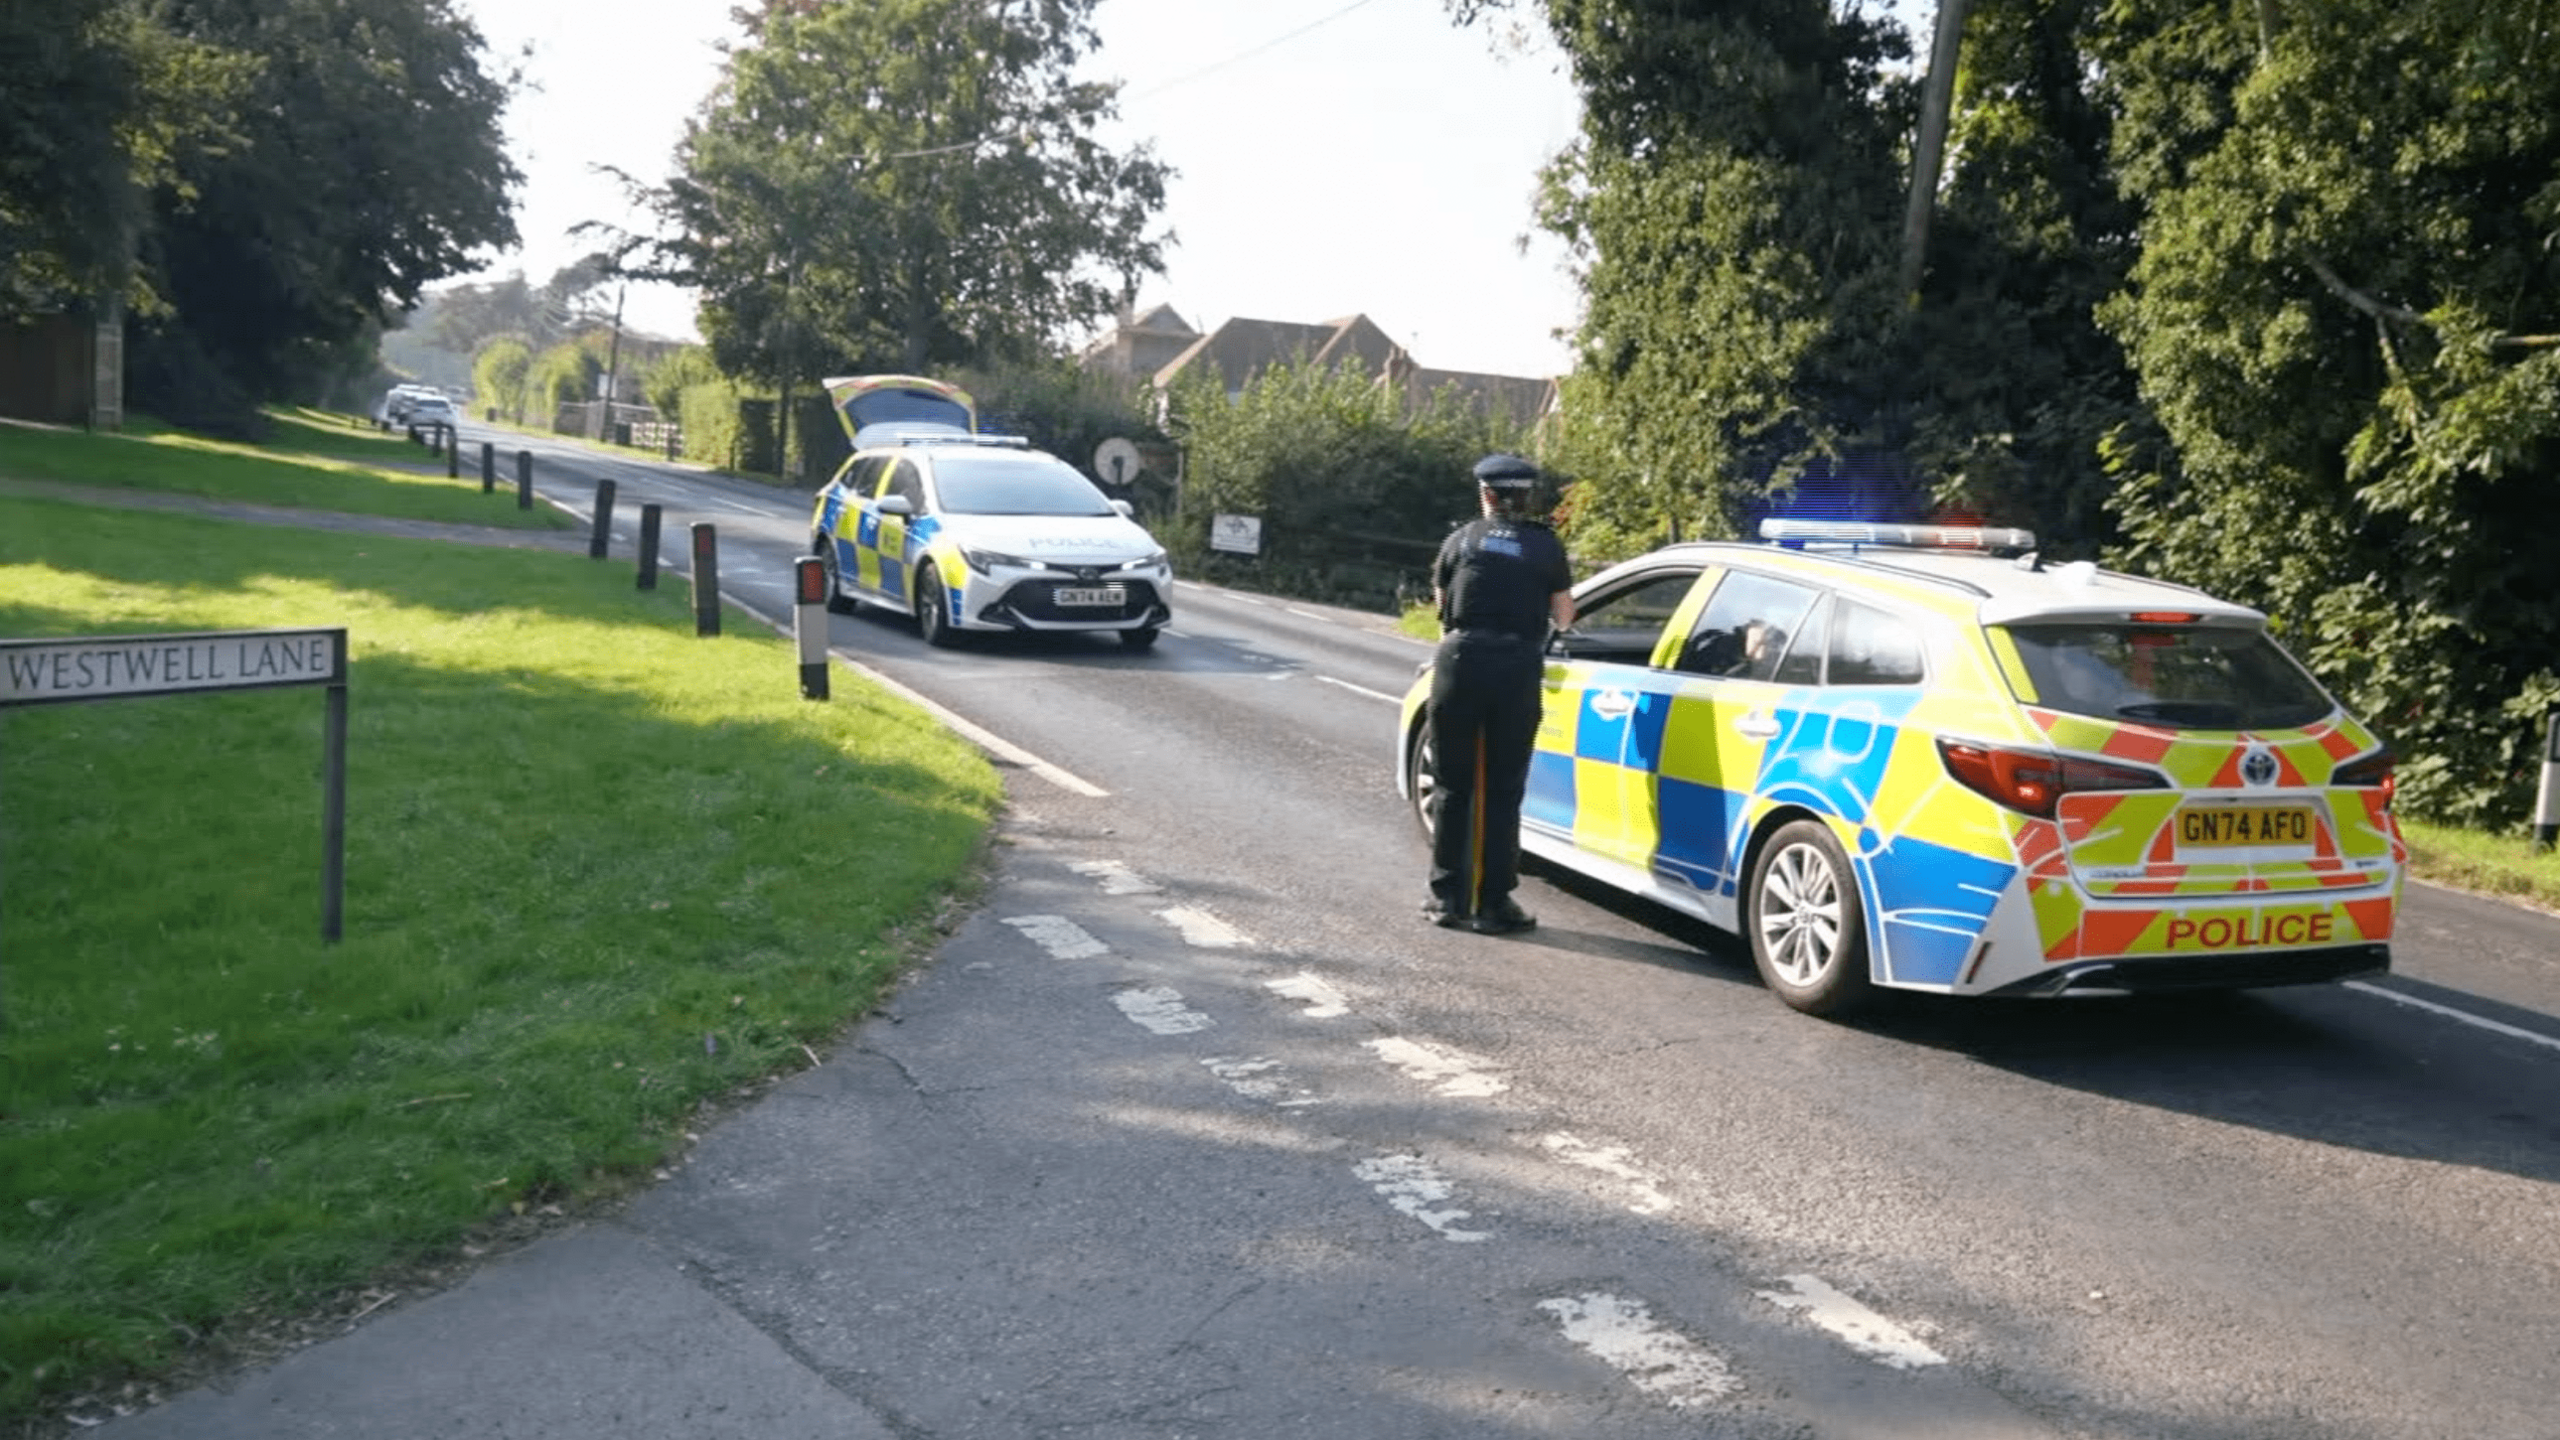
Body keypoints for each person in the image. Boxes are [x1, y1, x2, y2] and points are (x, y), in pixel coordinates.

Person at [1423, 453, 1576, 935]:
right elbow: (1565, 615)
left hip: (1460, 662)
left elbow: (1442, 604)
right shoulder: (1545, 546)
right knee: (1504, 787)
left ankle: (1447, 898)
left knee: (1452, 784)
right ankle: (1494, 903)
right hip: (1516, 667)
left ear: (1487, 495)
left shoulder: (1460, 539)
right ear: (1526, 497)